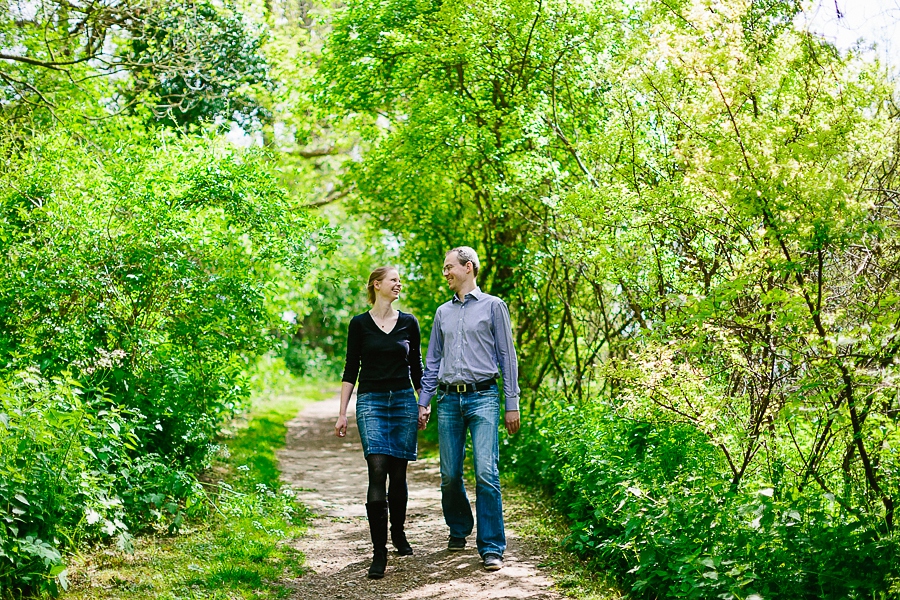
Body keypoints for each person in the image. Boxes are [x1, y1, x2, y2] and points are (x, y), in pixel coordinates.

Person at [417, 246, 521, 572]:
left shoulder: (494, 307)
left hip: (484, 398)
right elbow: (432, 360)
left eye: (449, 267)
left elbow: (507, 357)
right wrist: (424, 401)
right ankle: (459, 528)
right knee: (449, 475)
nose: (445, 273)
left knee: (486, 474)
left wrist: (512, 403)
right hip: (448, 400)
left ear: (468, 267)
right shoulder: (441, 313)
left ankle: (491, 546)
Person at [335, 266, 423, 579]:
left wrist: (422, 404)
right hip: (371, 402)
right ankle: (379, 552)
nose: (399, 284)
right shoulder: (359, 324)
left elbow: (417, 368)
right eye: (393, 279)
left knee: (398, 475)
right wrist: (342, 411)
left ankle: (397, 533)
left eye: (399, 280)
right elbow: (350, 368)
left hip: (402, 401)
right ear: (377, 284)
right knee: (377, 471)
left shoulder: (409, 322)